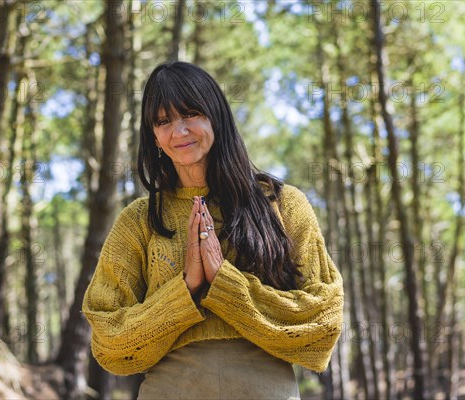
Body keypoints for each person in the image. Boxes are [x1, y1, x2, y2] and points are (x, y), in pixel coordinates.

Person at [82, 61, 344, 399]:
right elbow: (108, 339)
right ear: (154, 138)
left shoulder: (283, 204)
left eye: (191, 113)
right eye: (163, 121)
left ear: (216, 116)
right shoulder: (139, 221)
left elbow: (324, 316)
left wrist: (224, 282)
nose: (179, 132)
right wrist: (186, 288)